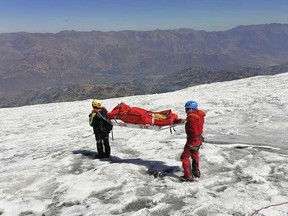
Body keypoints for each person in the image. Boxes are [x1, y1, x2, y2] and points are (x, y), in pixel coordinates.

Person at [179, 100, 205, 182]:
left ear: (191, 109)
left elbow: (193, 132)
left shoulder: (191, 118)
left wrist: (190, 143)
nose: (185, 111)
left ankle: (188, 176)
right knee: (194, 154)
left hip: (193, 140)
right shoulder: (199, 115)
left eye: (186, 109)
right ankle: (196, 172)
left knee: (184, 157)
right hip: (199, 139)